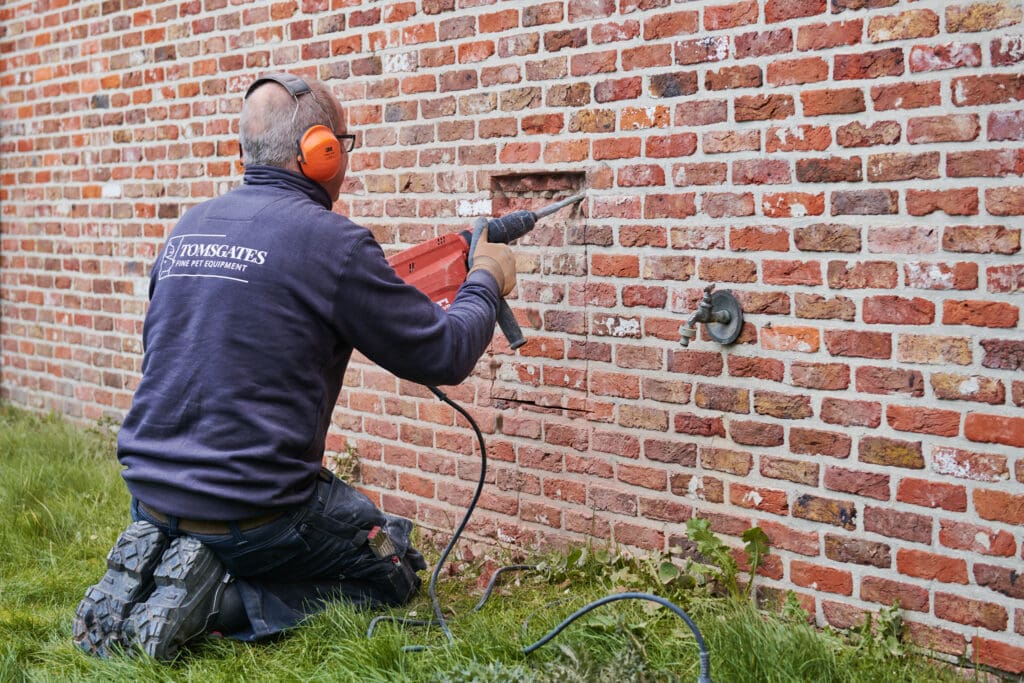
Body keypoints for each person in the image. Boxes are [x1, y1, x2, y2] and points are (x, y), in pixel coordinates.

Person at [72, 72, 517, 661]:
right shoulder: (334, 244)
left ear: (243, 152)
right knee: (395, 566)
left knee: (285, 525)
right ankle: (222, 602)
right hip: (260, 513)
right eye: (341, 145)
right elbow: (446, 353)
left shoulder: (186, 229)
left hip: (150, 492)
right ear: (322, 152)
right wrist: (486, 277)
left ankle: (164, 559)